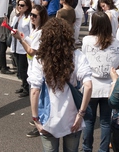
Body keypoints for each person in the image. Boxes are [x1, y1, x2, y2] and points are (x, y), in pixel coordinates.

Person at [28, 18, 92, 152]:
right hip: (73, 117)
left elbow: (35, 90)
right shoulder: (77, 55)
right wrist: (81, 115)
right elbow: (88, 86)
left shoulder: (40, 59)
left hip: (48, 118)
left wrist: (36, 119)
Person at [81, 12, 119, 152]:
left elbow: (84, 59)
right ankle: (103, 149)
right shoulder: (116, 42)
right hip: (109, 85)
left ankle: (87, 148)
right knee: (106, 121)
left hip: (91, 84)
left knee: (88, 120)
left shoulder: (87, 40)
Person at [12, 5, 48, 138]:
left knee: (37, 95)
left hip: (38, 68)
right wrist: (23, 37)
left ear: (41, 17)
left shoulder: (41, 32)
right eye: (31, 15)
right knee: (39, 97)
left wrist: (20, 39)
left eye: (35, 15)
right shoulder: (35, 30)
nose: (31, 17)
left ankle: (39, 122)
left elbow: (32, 51)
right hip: (33, 66)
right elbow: (32, 44)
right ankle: (39, 119)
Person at [10, 0, 32, 98]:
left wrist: (23, 38)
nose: (19, 7)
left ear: (27, 6)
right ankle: (23, 84)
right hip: (15, 45)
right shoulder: (16, 17)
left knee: (24, 68)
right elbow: (13, 27)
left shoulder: (29, 18)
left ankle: (27, 87)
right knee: (19, 68)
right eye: (18, 4)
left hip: (24, 46)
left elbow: (31, 33)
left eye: (22, 5)